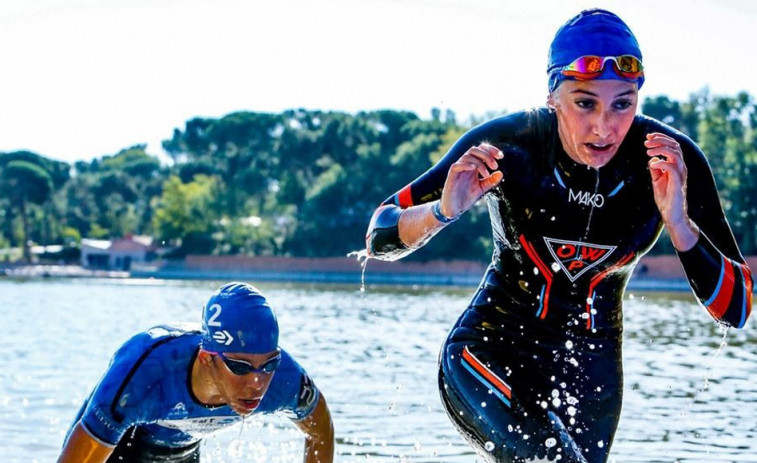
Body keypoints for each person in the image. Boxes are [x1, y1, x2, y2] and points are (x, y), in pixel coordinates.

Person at [365, 8, 752, 463]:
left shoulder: (670, 159)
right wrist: (443, 211)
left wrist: (680, 226)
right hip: (490, 348)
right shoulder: (510, 144)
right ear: (552, 96)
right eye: (585, 103)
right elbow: (379, 235)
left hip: (591, 368)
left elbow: (738, 309)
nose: (603, 127)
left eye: (622, 104)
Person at [58, 282, 334, 463]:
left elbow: (321, 433)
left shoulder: (285, 379)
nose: (257, 382)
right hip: (122, 446)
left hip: (183, 452)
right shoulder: (147, 374)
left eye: (269, 364)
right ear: (206, 359)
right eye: (239, 367)